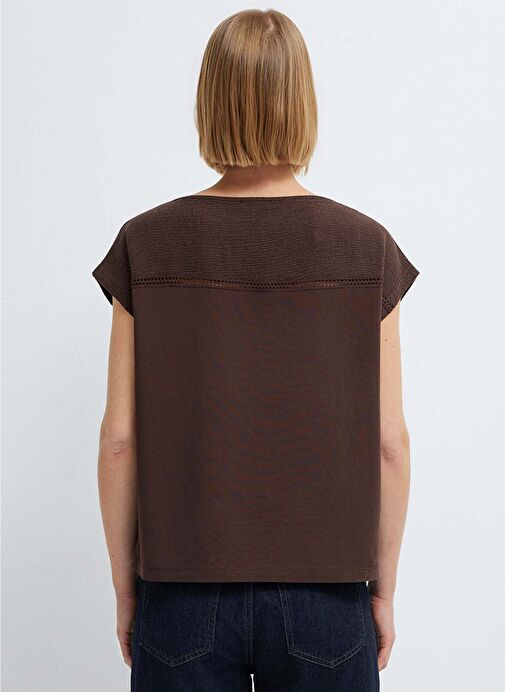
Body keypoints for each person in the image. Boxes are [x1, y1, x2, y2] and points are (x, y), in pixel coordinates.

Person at [91, 9, 419, 691]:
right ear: (302, 102)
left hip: (180, 593)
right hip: (327, 597)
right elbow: (388, 444)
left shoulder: (146, 242)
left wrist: (127, 589)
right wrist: (382, 590)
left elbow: (120, 440)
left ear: (208, 102)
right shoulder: (365, 247)